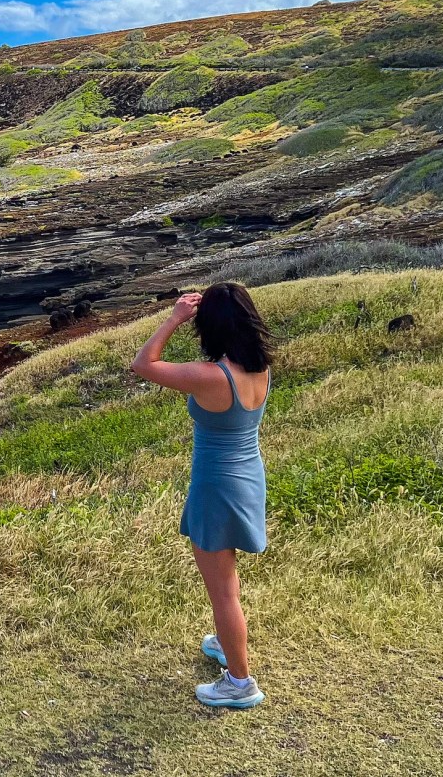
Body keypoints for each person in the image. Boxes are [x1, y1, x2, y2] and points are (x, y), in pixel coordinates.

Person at [130, 282, 274, 710]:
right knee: (226, 583)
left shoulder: (210, 376)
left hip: (216, 485)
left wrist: (174, 317)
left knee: (223, 591)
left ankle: (239, 683)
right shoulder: (260, 367)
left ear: (209, 325)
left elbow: (143, 364)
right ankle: (226, 646)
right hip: (248, 476)